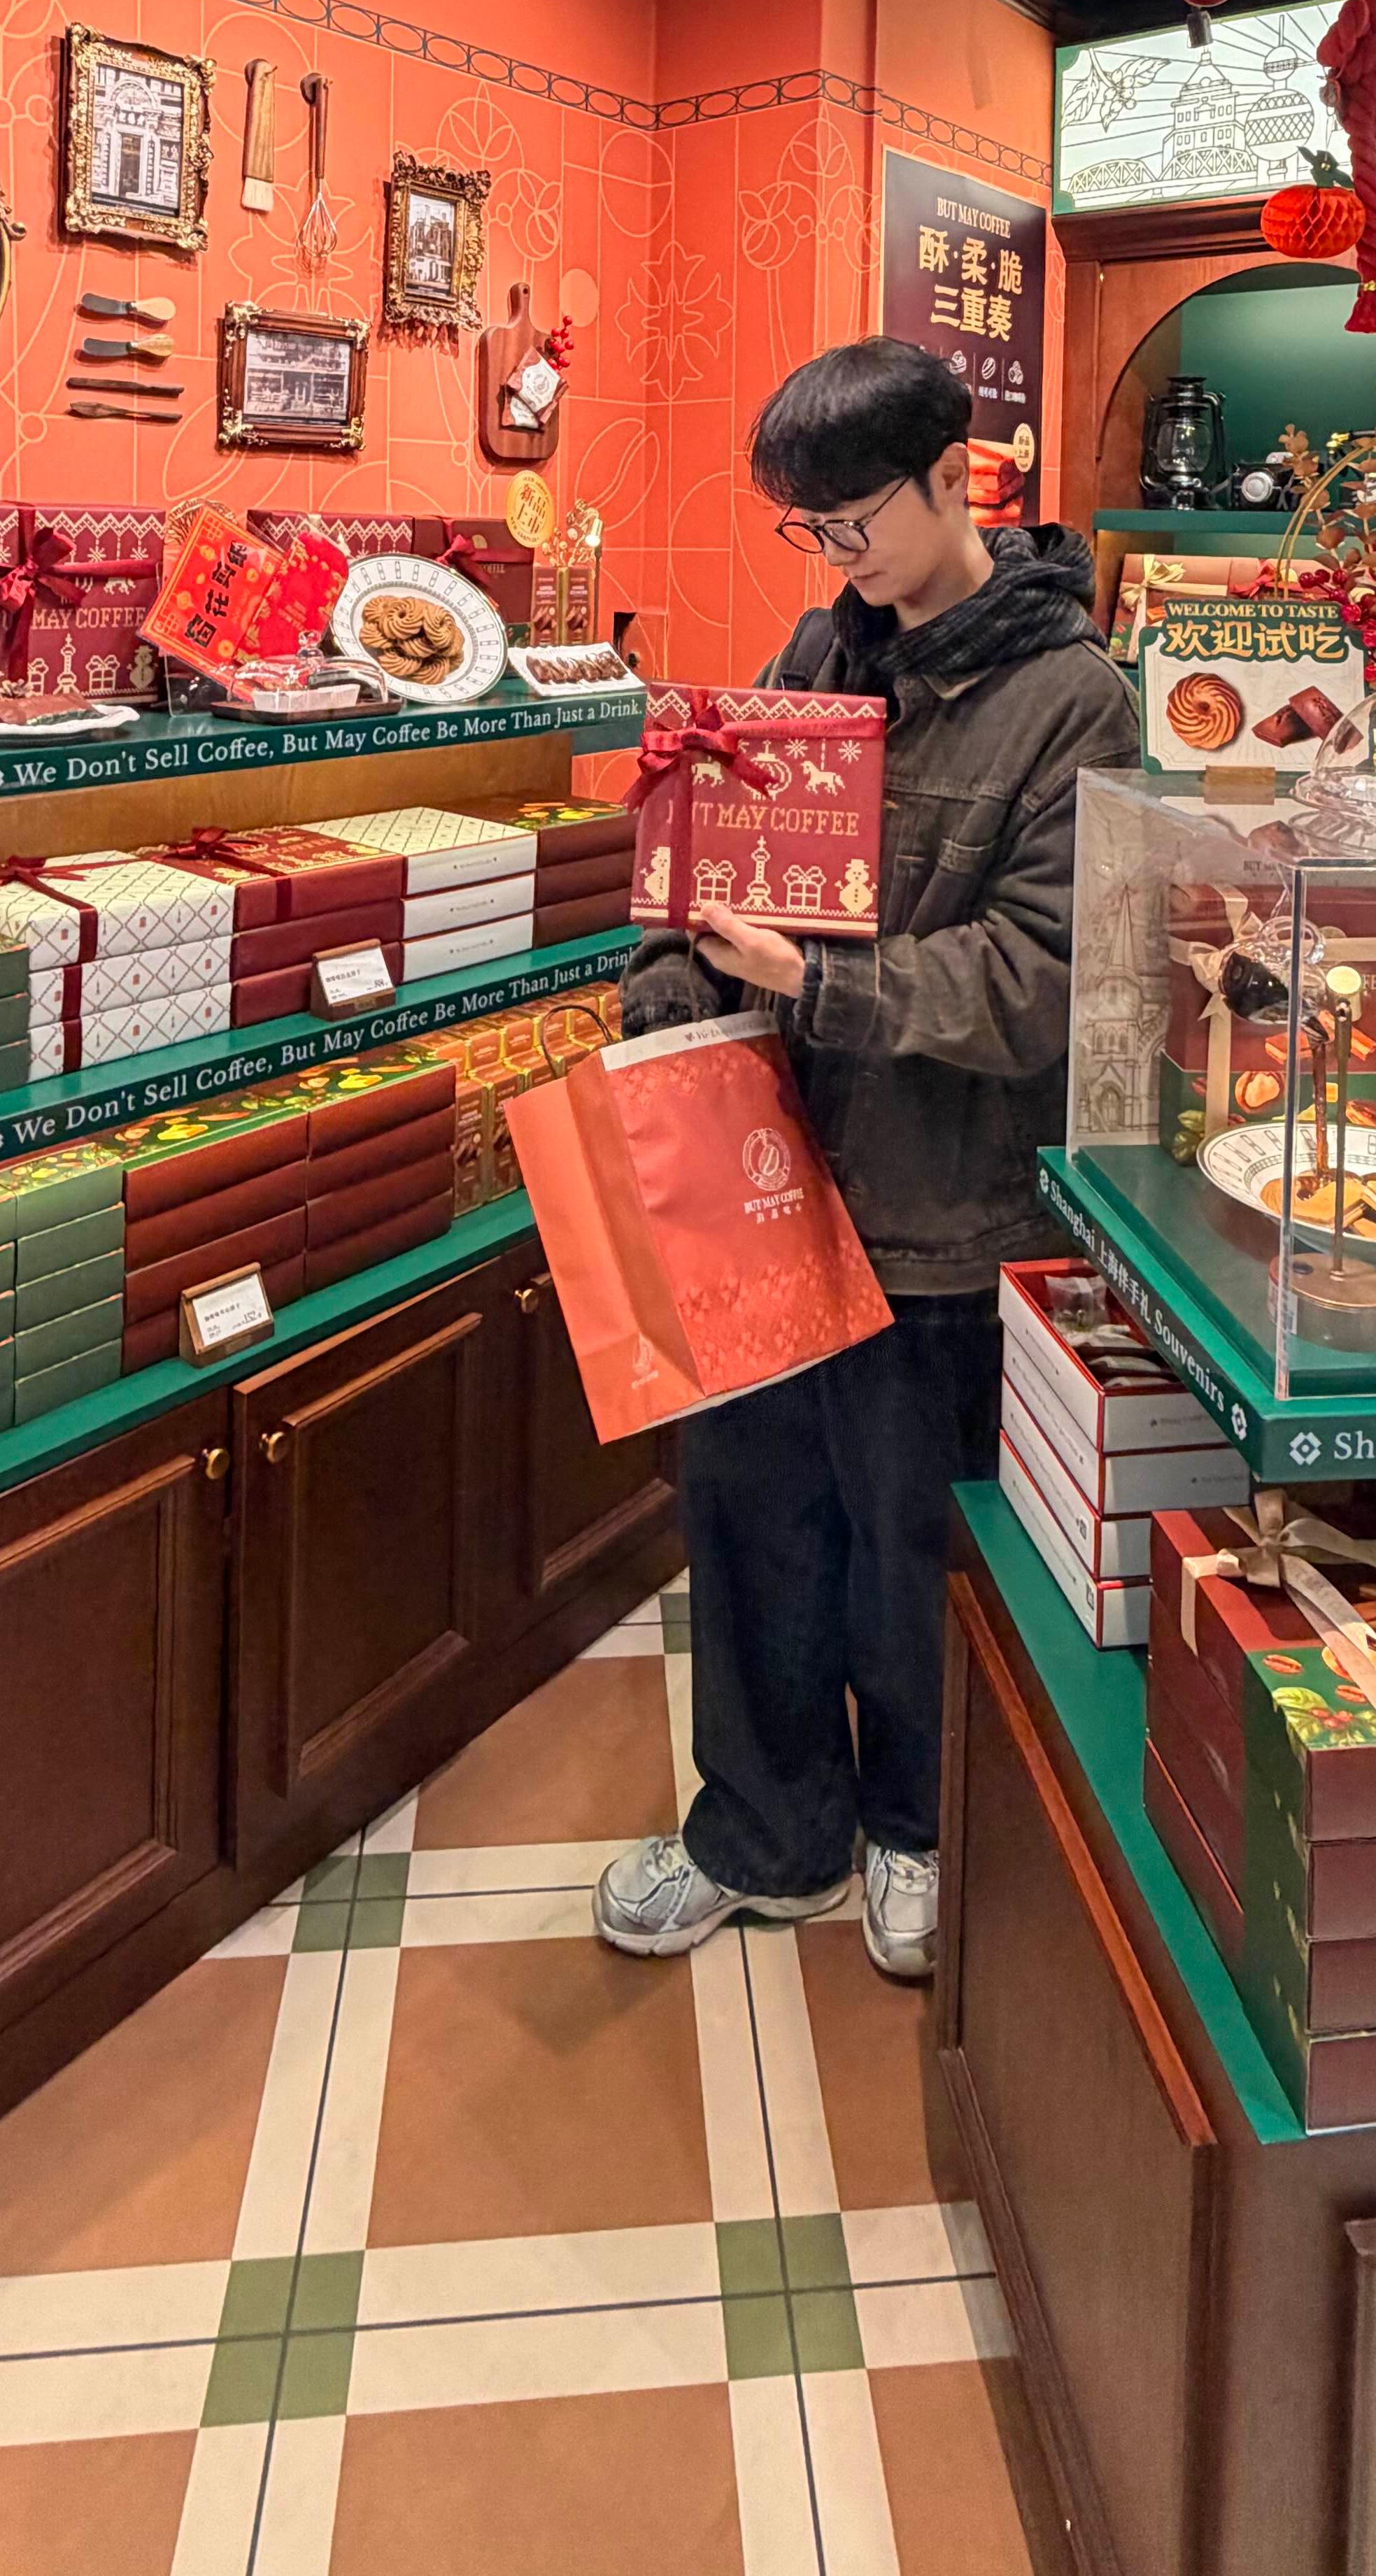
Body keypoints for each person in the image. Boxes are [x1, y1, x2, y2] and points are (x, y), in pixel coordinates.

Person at [593, 338, 1137, 1981]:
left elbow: (1044, 979)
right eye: (809, 530)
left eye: (854, 522)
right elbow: (720, 861)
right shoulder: (820, 650)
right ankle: (765, 1832)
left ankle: (916, 1823)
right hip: (765, 1179)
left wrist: (817, 983)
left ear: (953, 478)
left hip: (942, 1209)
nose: (837, 558)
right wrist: (671, 979)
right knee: (750, 1522)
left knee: (910, 1542)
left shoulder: (1077, 700)